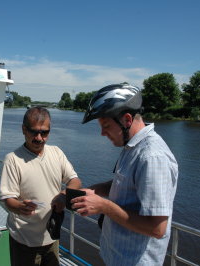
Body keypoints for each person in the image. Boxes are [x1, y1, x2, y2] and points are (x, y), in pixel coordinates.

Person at [71, 82, 178, 265]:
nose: (102, 133)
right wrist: (91, 192)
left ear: (127, 120)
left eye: (105, 125)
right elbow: (124, 184)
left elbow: (157, 228)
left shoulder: (152, 157)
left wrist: (104, 207)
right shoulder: (133, 147)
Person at [0, 107, 82, 266]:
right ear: (24, 129)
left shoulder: (56, 152)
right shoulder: (12, 160)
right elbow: (8, 200)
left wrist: (64, 195)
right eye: (34, 132)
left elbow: (75, 180)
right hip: (24, 241)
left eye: (44, 132)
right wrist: (21, 207)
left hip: (51, 237)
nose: (39, 138)